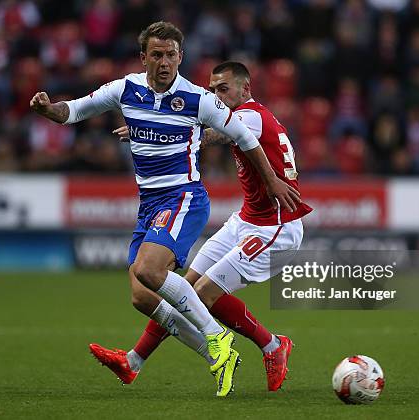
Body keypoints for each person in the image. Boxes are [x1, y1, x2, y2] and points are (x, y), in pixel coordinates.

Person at [29, 22, 301, 397]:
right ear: (144, 58)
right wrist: (49, 110)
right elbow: (72, 111)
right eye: (156, 54)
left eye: (171, 55)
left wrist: (270, 180)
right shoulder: (126, 88)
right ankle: (146, 360)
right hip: (168, 207)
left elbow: (235, 133)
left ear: (180, 58)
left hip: (192, 201)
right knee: (146, 294)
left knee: (167, 277)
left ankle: (245, 341)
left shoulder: (207, 102)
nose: (164, 62)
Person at [91, 61, 312, 393]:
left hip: (275, 228)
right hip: (246, 220)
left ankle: (272, 345)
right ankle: (133, 362)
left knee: (205, 295)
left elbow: (213, 134)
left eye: (223, 89)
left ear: (245, 89)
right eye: (212, 90)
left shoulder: (250, 115)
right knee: (182, 290)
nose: (216, 96)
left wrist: (156, 128)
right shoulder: (250, 116)